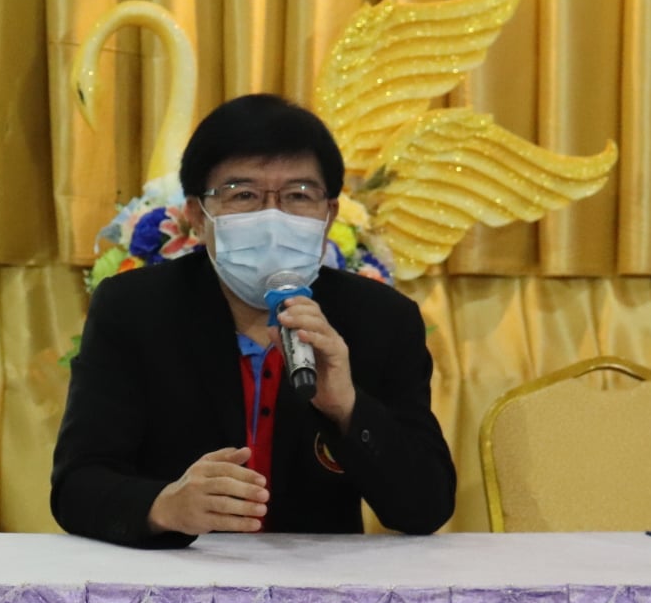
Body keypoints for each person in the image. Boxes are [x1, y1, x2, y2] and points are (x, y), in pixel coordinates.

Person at [52, 94, 456, 547]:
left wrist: (346, 406)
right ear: (197, 217)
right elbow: (77, 484)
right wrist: (163, 506)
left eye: (298, 196)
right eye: (243, 195)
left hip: (320, 583)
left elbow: (427, 507)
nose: (272, 218)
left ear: (329, 215)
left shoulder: (381, 319)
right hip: (178, 575)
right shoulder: (134, 309)